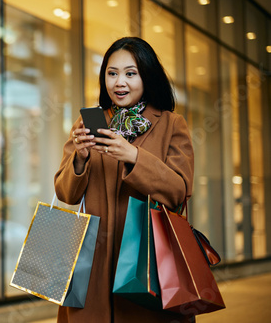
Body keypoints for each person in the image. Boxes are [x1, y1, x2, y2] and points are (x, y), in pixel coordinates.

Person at [54, 37, 195, 322]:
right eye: (112, 72)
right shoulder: (89, 122)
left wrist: (134, 156)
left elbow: (179, 190)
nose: (120, 82)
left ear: (147, 76)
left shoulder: (170, 123)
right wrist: (79, 158)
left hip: (148, 264)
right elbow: (65, 193)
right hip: (92, 266)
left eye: (131, 73)